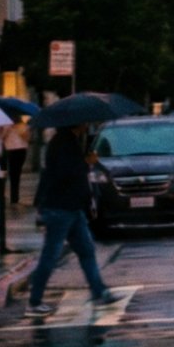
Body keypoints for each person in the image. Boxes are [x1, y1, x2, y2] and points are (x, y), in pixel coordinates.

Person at [26, 123, 121, 315]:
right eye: (85, 122)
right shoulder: (62, 143)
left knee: (86, 250)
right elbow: (63, 173)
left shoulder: (69, 141)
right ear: (76, 123)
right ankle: (34, 301)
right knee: (51, 255)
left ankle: (99, 291)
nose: (87, 124)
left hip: (72, 208)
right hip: (60, 208)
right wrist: (87, 163)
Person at [1, 114, 29, 204]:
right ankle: (10, 196)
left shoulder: (23, 126)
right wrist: (8, 129)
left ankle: (14, 197)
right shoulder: (6, 125)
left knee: (15, 174)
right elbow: (1, 137)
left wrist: (19, 130)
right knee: (10, 173)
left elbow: (27, 138)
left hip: (18, 149)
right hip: (12, 150)